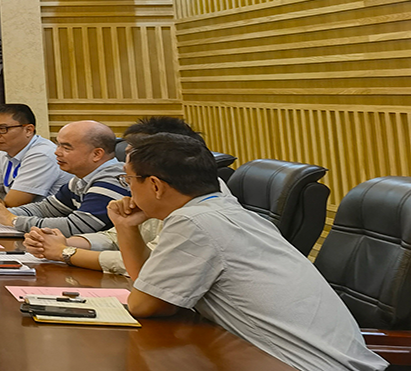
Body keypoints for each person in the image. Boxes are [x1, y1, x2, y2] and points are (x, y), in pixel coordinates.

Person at [116, 134, 385, 371]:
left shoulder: (194, 222)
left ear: (155, 185)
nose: (128, 189)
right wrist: (126, 227)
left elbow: (143, 304)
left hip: (300, 364)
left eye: (128, 179)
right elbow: (153, 294)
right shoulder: (222, 211)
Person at [23, 116, 216, 273]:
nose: (124, 163)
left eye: (129, 177)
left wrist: (65, 252)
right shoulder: (168, 193)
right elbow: (113, 239)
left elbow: (151, 265)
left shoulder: (195, 217)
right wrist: (59, 242)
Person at [0, 120, 126, 234]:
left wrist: (12, 219)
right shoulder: (80, 179)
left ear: (97, 154)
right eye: (58, 144)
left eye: (66, 148)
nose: (57, 152)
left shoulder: (112, 180)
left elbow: (77, 226)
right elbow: (46, 209)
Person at [0, 103, 67, 207]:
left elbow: (14, 203)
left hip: (50, 216)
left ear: (28, 130)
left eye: (2, 129)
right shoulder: (4, 151)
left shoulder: (42, 154)